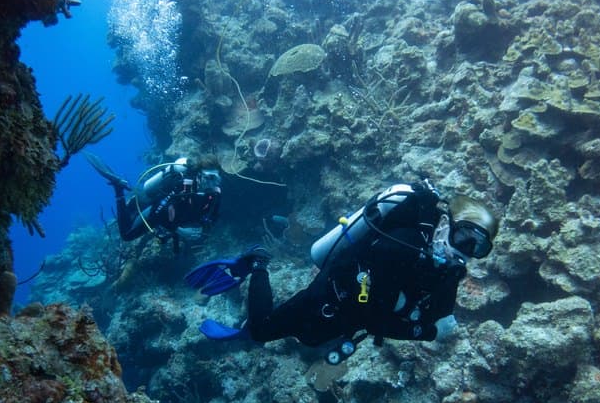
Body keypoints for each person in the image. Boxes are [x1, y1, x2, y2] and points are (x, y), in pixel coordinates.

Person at [185, 179, 498, 363]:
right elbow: (373, 317)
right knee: (261, 331)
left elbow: (435, 314)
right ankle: (258, 263)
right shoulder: (401, 245)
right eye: (462, 238)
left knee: (308, 341)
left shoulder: (447, 269)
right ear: (445, 225)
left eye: (476, 248)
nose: (462, 253)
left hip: (345, 317)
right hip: (328, 297)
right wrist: (424, 331)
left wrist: (432, 324)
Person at [86, 153, 222, 253]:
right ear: (199, 175)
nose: (212, 182)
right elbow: (159, 211)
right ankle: (119, 188)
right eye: (208, 177)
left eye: (216, 178)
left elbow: (212, 216)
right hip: (151, 203)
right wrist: (179, 231)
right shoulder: (183, 187)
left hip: (171, 215)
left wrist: (205, 225)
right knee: (127, 235)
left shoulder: (214, 192)